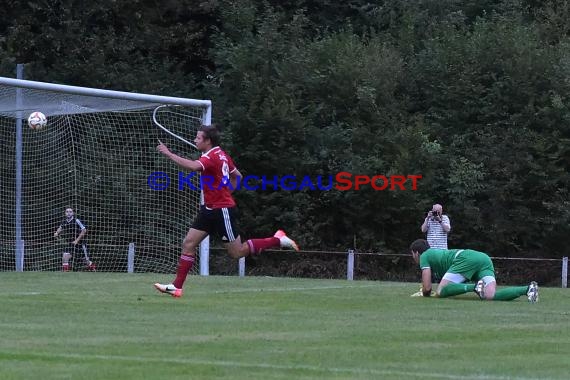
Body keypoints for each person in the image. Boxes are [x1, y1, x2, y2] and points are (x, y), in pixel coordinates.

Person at [153, 124, 300, 298]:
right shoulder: (220, 154)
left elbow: (193, 167)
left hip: (221, 210)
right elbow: (238, 176)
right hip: (209, 209)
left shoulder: (211, 157)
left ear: (208, 141)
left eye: (198, 138)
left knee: (237, 252)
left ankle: (277, 240)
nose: (194, 140)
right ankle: (176, 287)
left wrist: (169, 154)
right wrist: (227, 190)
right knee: (189, 244)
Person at [409, 239, 539, 302]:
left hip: (466, 258)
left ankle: (475, 286)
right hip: (483, 259)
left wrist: (426, 294)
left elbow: (427, 288)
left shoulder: (424, 255)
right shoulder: (435, 253)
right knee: (490, 296)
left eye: (412, 255)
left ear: (416, 253)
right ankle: (528, 289)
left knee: (441, 291)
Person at [54, 207, 96, 272]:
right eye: (67, 212)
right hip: (71, 243)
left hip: (80, 244)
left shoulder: (76, 221)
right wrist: (56, 233)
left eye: (70, 212)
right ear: (65, 213)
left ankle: (93, 269)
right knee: (65, 256)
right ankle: (66, 273)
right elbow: (60, 228)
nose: (68, 213)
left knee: (86, 261)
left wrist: (77, 240)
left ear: (73, 213)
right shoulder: (64, 221)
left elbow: (84, 230)